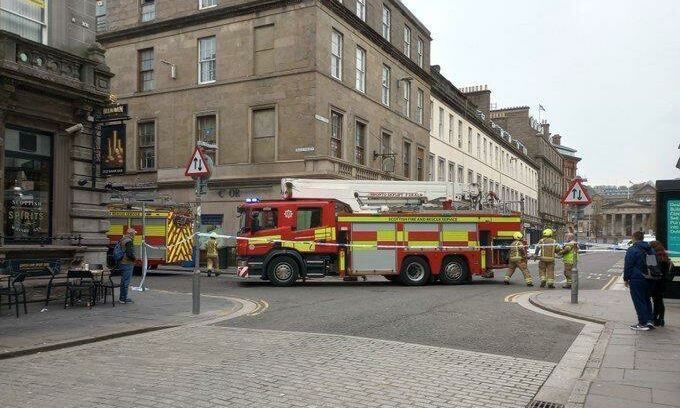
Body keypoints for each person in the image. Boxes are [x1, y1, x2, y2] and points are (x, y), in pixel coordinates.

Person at [623, 231, 655, 331]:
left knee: (639, 301)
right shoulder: (650, 249)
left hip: (636, 279)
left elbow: (628, 266)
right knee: (646, 300)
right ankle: (649, 320)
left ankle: (642, 323)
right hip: (649, 278)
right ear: (643, 238)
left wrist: (626, 278)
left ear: (634, 238)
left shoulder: (632, 250)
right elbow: (652, 264)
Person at [650, 241, 671, 327]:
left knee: (656, 301)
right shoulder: (664, 255)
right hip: (663, 282)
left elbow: (651, 268)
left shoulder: (653, 255)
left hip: (655, 281)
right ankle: (661, 319)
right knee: (660, 300)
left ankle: (655, 319)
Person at [117, 227, 137, 304]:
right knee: (126, 281)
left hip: (122, 262)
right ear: (131, 233)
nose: (135, 234)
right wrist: (134, 258)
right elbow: (129, 253)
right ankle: (123, 298)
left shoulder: (123, 239)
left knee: (123, 280)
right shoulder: (129, 241)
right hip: (127, 263)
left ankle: (122, 297)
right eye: (134, 233)